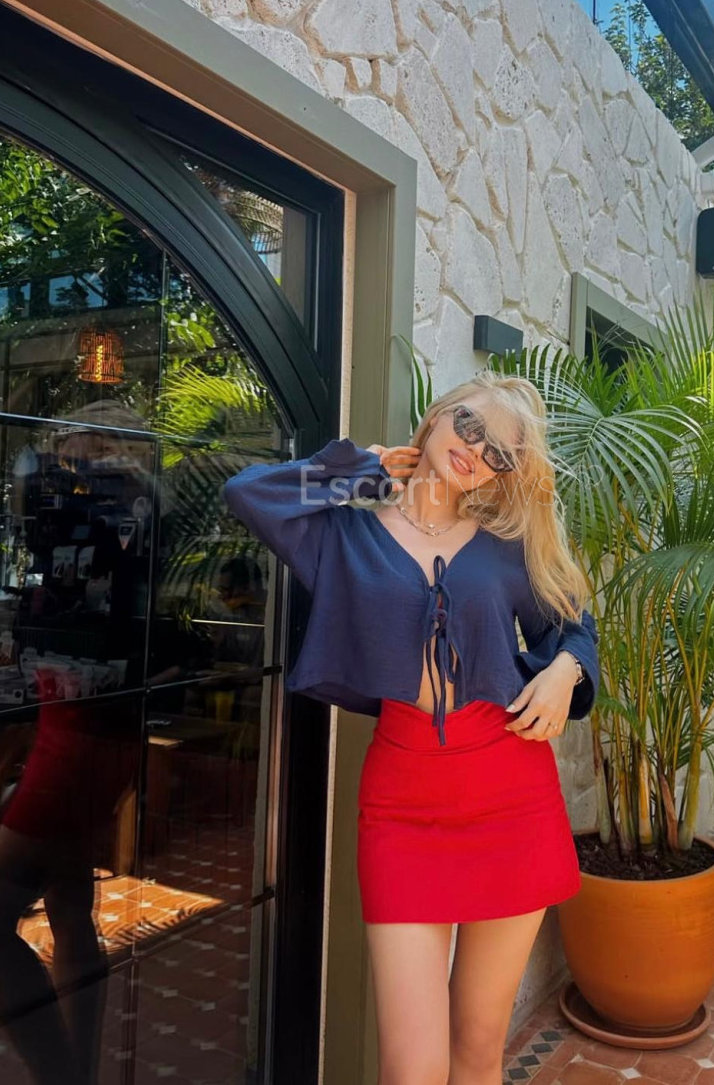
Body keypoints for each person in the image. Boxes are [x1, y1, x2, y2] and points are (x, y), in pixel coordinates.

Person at [223, 371, 600, 1085]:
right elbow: (249, 493)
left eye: (500, 453)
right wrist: (354, 471)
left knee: (477, 1052)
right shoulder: (345, 535)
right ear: (435, 418)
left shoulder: (508, 546)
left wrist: (565, 669)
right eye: (471, 426)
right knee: (411, 1068)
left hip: (511, 796)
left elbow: (574, 625)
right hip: (402, 807)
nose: (477, 451)